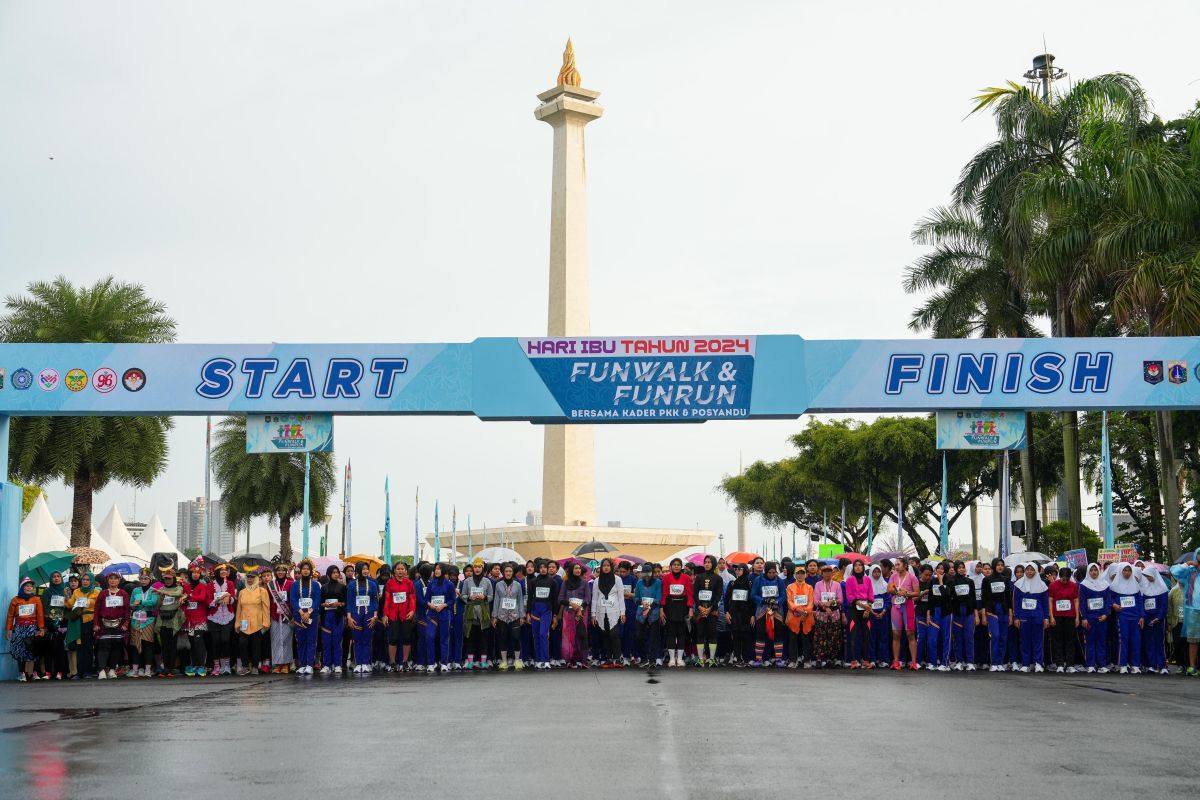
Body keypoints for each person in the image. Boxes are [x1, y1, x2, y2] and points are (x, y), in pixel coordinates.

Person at [1169, 549, 1200, 676]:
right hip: (1193, 609)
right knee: (1193, 640)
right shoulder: (1190, 571)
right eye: (1199, 553)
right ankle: (1192, 666)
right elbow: (1174, 571)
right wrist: (1188, 564)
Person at [93, 570, 130, 679]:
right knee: (103, 646)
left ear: (119, 580)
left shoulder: (123, 593)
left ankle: (112, 669)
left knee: (116, 646)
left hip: (118, 624)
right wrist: (96, 623)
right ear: (107, 580)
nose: (113, 581)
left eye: (115, 578)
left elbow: (127, 610)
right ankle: (102, 670)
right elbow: (97, 609)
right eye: (111, 578)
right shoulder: (103, 593)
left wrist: (126, 623)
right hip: (104, 624)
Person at [1013, 563, 1049, 673]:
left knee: (1038, 640)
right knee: (1024, 640)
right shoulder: (1018, 584)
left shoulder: (1042, 585)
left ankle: (1038, 663)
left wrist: (1046, 618)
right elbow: (1016, 602)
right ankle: (1026, 664)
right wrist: (1016, 617)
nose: (1029, 572)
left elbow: (1045, 603)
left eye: (1032, 570)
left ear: (1036, 571)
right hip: (1024, 616)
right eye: (1027, 569)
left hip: (1038, 615)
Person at [234, 567, 271, 675]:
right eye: (248, 578)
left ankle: (255, 666)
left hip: (257, 623)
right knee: (242, 644)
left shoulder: (262, 591)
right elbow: (239, 609)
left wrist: (266, 623)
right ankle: (245, 666)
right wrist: (237, 623)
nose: (250, 580)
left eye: (252, 578)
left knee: (256, 645)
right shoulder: (242, 592)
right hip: (244, 623)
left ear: (256, 579)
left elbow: (266, 608)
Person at [6, 577, 44, 681]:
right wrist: (8, 629)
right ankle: (22, 673)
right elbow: (10, 616)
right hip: (19, 629)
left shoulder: (37, 599)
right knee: (20, 651)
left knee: (34, 651)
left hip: (32, 628)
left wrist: (41, 628)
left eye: (31, 586)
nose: (29, 588)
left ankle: (34, 673)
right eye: (27, 586)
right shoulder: (15, 600)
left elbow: (40, 615)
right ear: (22, 587)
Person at [288, 559, 322, 675]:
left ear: (311, 571)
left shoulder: (316, 585)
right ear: (300, 571)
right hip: (299, 616)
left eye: (308, 569)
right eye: (304, 569)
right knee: (301, 641)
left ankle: (309, 665)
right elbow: (293, 600)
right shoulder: (295, 585)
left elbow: (317, 600)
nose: (306, 571)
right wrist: (301, 612)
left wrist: (309, 612)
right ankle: (302, 665)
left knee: (311, 640)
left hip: (312, 615)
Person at [750, 562, 787, 667]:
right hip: (762, 611)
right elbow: (753, 595)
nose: (772, 574)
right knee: (760, 634)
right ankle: (759, 659)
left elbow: (784, 595)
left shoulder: (779, 581)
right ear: (766, 572)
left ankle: (778, 659)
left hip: (776, 611)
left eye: (774, 572)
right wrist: (763, 600)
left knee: (778, 634)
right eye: (770, 572)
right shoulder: (759, 580)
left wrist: (777, 602)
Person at [1109, 563, 1144, 674]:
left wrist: (1142, 616)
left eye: (1129, 570)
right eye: (1125, 570)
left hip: (1135, 617)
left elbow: (1139, 602)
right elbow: (1109, 599)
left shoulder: (1136, 586)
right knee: (1123, 640)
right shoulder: (1114, 586)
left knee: (1136, 641)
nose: (1127, 572)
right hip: (1122, 616)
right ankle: (1123, 664)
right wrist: (1114, 605)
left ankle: (1135, 665)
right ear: (1121, 571)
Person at [591, 558, 625, 668]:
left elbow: (621, 597)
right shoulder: (597, 580)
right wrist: (593, 614)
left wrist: (622, 612)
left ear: (611, 567)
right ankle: (608, 659)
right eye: (603, 566)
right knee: (605, 635)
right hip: (601, 612)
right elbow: (595, 598)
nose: (605, 567)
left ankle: (618, 659)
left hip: (614, 611)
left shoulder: (617, 579)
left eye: (608, 565)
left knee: (614, 634)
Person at [382, 562, 416, 671]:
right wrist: (385, 614)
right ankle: (392, 662)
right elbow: (387, 600)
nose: (400, 571)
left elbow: (412, 598)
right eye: (398, 569)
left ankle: (405, 662)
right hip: (393, 615)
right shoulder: (389, 583)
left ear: (406, 571)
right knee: (393, 639)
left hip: (406, 615)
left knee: (407, 638)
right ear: (394, 570)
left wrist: (412, 611)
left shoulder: (409, 583)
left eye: (402, 569)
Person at [1045, 566, 1080, 673]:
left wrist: (1077, 617)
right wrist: (1051, 616)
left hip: (1070, 615)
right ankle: (1059, 663)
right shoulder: (1053, 585)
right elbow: (1050, 600)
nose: (1064, 581)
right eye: (1063, 578)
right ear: (1059, 576)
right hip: (1057, 615)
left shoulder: (1073, 586)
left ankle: (1070, 664)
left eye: (1067, 579)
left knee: (1070, 640)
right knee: (1057, 640)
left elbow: (1076, 601)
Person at [347, 562, 380, 674]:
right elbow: (349, 601)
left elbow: (375, 601)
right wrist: (349, 617)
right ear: (359, 570)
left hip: (369, 614)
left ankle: (365, 663)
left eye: (367, 569)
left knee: (367, 639)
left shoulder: (372, 584)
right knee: (357, 640)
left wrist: (375, 616)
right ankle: (358, 663)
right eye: (364, 569)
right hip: (356, 614)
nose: (366, 571)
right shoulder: (351, 585)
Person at [182, 561, 214, 677]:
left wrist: (189, 596)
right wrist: (184, 600)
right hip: (189, 620)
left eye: (197, 572)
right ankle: (194, 665)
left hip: (200, 619)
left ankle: (201, 666)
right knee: (192, 643)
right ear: (189, 574)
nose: (195, 574)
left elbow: (201, 598)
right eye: (193, 572)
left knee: (198, 641)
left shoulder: (202, 586)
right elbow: (184, 603)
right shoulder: (185, 586)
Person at [491, 563, 525, 670]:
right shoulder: (498, 585)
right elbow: (496, 600)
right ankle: (504, 661)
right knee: (503, 638)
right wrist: (494, 616)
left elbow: (520, 600)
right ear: (503, 572)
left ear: (513, 572)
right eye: (506, 571)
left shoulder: (518, 585)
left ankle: (517, 660)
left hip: (515, 615)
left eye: (510, 571)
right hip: (501, 615)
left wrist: (522, 616)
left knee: (516, 637)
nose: (508, 573)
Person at [887, 558, 920, 670]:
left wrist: (907, 593)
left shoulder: (912, 577)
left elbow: (917, 593)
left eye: (898, 564)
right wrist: (897, 592)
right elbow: (889, 589)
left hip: (908, 607)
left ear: (905, 565)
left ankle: (914, 662)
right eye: (895, 565)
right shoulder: (893, 576)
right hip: (896, 606)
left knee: (910, 634)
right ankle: (896, 661)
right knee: (896, 634)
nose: (896, 567)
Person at [526, 559, 559, 670]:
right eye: (541, 567)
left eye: (545, 567)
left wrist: (555, 615)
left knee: (543, 634)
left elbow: (555, 600)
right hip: (535, 610)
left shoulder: (552, 582)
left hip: (546, 610)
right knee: (536, 635)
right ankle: (538, 659)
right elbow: (530, 598)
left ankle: (545, 660)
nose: (543, 569)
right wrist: (528, 613)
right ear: (538, 569)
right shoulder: (533, 581)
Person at [461, 561, 493, 670]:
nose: (477, 569)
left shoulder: (487, 581)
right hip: (471, 612)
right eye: (475, 567)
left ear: (483, 568)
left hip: (483, 613)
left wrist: (484, 597)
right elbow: (463, 595)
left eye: (479, 567)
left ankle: (483, 661)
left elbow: (491, 596)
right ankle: (470, 661)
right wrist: (469, 597)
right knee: (470, 638)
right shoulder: (467, 581)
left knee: (483, 638)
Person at [1078, 563, 1110, 673]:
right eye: (1091, 570)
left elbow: (1107, 601)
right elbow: (1082, 602)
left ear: (1099, 571)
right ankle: (1090, 664)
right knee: (1090, 642)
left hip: (1102, 617)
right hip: (1089, 617)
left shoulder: (1105, 584)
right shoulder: (1084, 585)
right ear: (1088, 572)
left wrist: (1106, 614)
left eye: (1095, 570)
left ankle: (1102, 664)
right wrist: (1084, 618)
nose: (1093, 572)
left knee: (1101, 642)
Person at [66, 572, 99, 679]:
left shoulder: (96, 592)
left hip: (90, 621)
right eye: (83, 579)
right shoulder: (76, 591)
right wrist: (66, 596)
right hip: (78, 621)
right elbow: (70, 604)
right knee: (79, 647)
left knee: (88, 647)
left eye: (87, 579)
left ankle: (88, 671)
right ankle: (79, 672)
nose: (85, 581)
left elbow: (98, 606)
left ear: (91, 581)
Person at [423, 563, 454, 673]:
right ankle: (431, 663)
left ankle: (444, 663)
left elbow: (452, 599)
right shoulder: (431, 583)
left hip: (445, 614)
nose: (437, 571)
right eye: (435, 569)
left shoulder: (449, 585)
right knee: (430, 637)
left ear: (444, 570)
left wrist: (444, 605)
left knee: (444, 639)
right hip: (432, 614)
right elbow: (426, 598)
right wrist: (429, 604)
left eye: (439, 569)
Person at [207, 564, 238, 676]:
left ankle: (226, 665)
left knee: (225, 640)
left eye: (225, 570)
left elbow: (234, 599)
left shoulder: (230, 584)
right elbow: (208, 601)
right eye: (221, 570)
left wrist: (229, 598)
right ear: (216, 572)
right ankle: (216, 666)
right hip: (213, 617)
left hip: (228, 616)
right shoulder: (210, 585)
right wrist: (218, 600)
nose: (224, 572)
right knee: (215, 641)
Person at [981, 559, 1011, 672]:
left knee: (1003, 637)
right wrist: (984, 615)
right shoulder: (987, 580)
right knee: (996, 635)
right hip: (991, 611)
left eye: (1001, 565)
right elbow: (984, 598)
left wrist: (1010, 615)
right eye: (998, 565)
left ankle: (1001, 662)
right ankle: (994, 662)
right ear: (994, 566)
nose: (1000, 567)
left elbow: (1008, 598)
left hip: (1004, 610)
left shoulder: (1005, 579)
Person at [128, 568, 160, 678]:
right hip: (136, 620)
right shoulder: (136, 590)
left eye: (145, 578)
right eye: (141, 578)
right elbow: (131, 603)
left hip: (148, 620)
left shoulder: (153, 590)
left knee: (147, 645)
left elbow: (154, 602)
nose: (143, 581)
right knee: (135, 645)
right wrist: (134, 605)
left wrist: (142, 602)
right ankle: (135, 669)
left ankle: (147, 669)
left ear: (150, 579)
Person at [812, 564, 844, 668]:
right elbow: (816, 600)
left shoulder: (837, 585)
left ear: (832, 573)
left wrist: (830, 604)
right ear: (821, 573)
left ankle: (831, 658)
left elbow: (840, 600)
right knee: (820, 637)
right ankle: (819, 659)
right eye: (825, 572)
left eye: (829, 571)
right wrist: (825, 607)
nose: (827, 573)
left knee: (833, 637)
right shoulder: (818, 584)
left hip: (834, 614)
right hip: (821, 614)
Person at [948, 560, 978, 671]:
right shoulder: (951, 582)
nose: (961, 569)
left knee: (969, 637)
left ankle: (970, 662)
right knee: (958, 638)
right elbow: (950, 598)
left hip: (969, 612)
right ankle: (959, 661)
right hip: (957, 612)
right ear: (955, 569)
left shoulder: (970, 581)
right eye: (959, 567)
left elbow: (974, 599)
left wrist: (976, 614)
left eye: (963, 567)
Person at [692, 555, 722, 667]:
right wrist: (699, 607)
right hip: (700, 611)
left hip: (712, 611)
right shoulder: (699, 577)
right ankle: (700, 659)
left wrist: (710, 608)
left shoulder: (718, 578)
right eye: (705, 562)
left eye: (709, 562)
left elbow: (718, 595)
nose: (707, 564)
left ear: (713, 564)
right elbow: (695, 594)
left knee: (712, 634)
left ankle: (712, 659)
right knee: (700, 634)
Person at [154, 568, 184, 677]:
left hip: (174, 618)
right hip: (162, 617)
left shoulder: (179, 588)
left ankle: (171, 668)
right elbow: (157, 606)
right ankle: (166, 667)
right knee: (164, 644)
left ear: (174, 578)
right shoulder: (161, 589)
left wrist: (163, 592)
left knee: (172, 644)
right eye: (165, 578)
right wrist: (161, 598)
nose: (167, 580)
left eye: (169, 578)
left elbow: (177, 595)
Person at [843, 560, 873, 669]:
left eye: (860, 565)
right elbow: (850, 596)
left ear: (863, 567)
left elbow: (870, 595)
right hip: (854, 609)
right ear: (853, 568)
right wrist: (861, 604)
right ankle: (853, 660)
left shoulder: (868, 580)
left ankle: (865, 660)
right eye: (856, 565)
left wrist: (867, 608)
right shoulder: (850, 580)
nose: (858, 567)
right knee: (853, 635)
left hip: (866, 610)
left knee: (866, 635)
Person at [1140, 565, 1169, 675]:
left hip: (1159, 619)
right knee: (1149, 642)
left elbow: (1164, 606)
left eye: (1149, 575)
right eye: (1146, 576)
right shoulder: (1145, 588)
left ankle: (1162, 665)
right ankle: (1151, 665)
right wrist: (1145, 617)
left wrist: (1159, 617)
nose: (1148, 578)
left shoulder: (1162, 588)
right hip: (1148, 619)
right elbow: (1142, 604)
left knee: (1159, 642)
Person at [266, 563, 294, 674]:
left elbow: (292, 599)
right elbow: (268, 601)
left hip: (287, 616)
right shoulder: (271, 585)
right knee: (276, 640)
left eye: (283, 570)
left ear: (286, 572)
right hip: (275, 616)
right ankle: (277, 665)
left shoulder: (291, 584)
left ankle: (286, 664)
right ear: (275, 572)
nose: (281, 572)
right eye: (278, 570)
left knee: (287, 641)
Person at [318, 565, 347, 674]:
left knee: (337, 641)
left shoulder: (343, 587)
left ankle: (337, 664)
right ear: (329, 574)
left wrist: (338, 604)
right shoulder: (323, 587)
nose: (336, 574)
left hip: (338, 616)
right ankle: (326, 665)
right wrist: (324, 604)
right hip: (326, 616)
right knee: (326, 642)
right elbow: (320, 603)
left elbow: (345, 602)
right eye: (333, 572)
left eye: (337, 572)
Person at [560, 562, 590, 668]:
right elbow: (561, 599)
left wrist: (580, 608)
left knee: (582, 635)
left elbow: (587, 598)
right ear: (571, 570)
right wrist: (570, 604)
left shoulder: (584, 583)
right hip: (568, 613)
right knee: (569, 637)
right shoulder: (565, 583)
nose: (578, 570)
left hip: (581, 613)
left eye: (579, 568)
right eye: (576, 568)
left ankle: (584, 660)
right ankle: (570, 660)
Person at [40, 571, 68, 680]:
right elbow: (45, 606)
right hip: (50, 622)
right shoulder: (47, 591)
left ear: (61, 578)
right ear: (51, 579)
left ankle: (60, 672)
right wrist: (52, 617)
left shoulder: (66, 590)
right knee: (49, 648)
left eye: (58, 576)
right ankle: (48, 672)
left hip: (63, 622)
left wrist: (62, 617)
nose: (56, 578)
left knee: (60, 648)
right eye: (54, 577)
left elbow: (69, 605)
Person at [784, 565, 814, 668]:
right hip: (793, 616)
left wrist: (805, 611)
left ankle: (806, 660)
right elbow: (789, 602)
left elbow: (811, 602)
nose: (800, 575)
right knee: (792, 639)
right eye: (798, 573)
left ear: (805, 575)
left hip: (806, 616)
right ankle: (793, 660)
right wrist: (798, 610)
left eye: (802, 573)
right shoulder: (790, 587)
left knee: (806, 639)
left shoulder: (809, 587)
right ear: (795, 575)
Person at [867, 564, 890, 669]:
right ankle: (872, 659)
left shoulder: (885, 585)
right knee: (872, 638)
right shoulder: (868, 585)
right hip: (871, 615)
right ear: (871, 573)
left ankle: (884, 659)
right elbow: (866, 600)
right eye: (874, 572)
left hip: (883, 615)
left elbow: (888, 600)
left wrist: (883, 612)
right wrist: (872, 611)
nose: (877, 574)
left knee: (883, 637)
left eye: (878, 572)